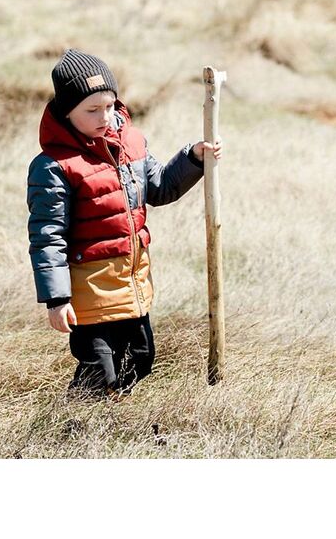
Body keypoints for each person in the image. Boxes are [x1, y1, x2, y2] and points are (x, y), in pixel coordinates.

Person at [26, 49, 222, 400]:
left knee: (142, 360)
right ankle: (73, 424)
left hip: (132, 283)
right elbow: (47, 236)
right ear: (67, 112)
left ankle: (111, 411)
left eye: (110, 105)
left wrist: (193, 159)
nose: (105, 116)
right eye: (92, 110)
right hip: (88, 291)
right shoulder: (53, 166)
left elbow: (160, 188)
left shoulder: (131, 143)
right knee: (99, 370)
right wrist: (56, 298)